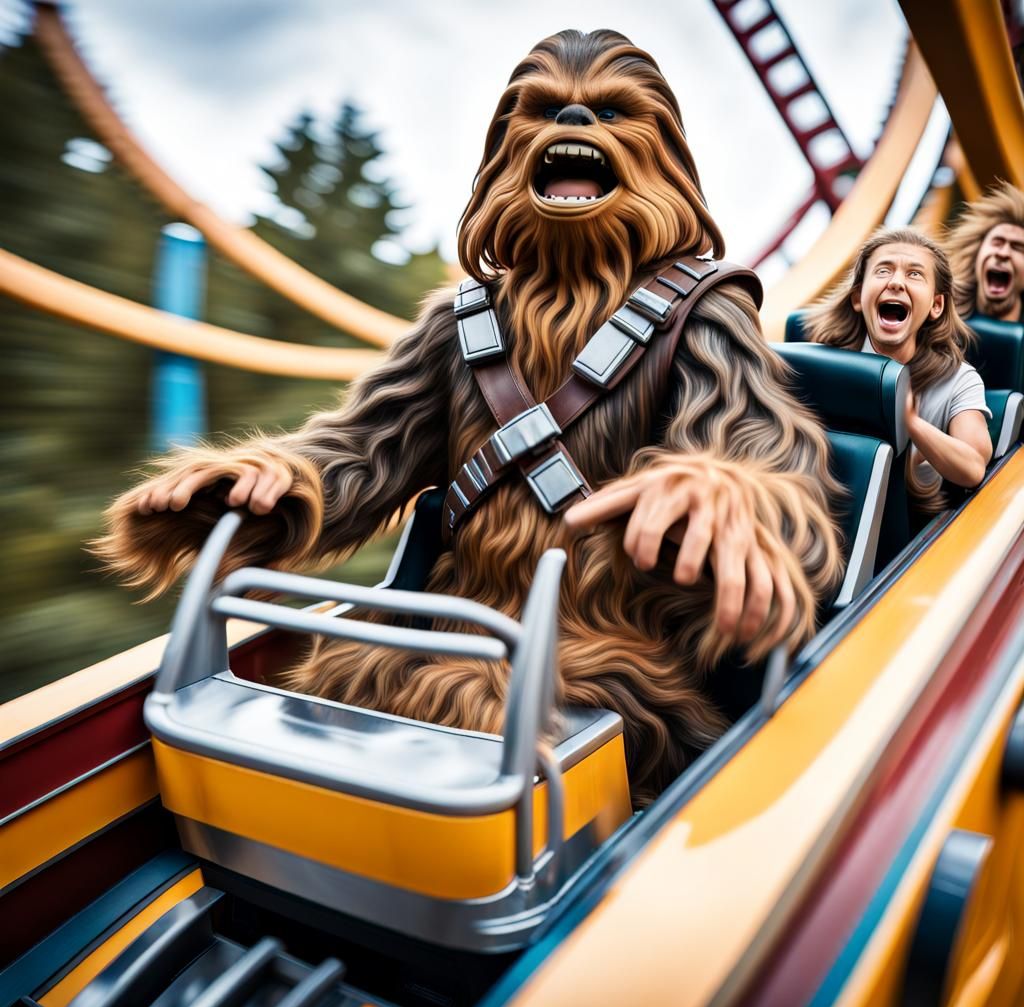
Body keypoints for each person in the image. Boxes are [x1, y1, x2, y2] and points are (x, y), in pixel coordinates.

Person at [94, 30, 843, 802]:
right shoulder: (460, 324)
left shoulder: (704, 314)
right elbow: (361, 453)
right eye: (546, 110)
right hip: (443, 631)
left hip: (611, 670)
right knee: (324, 701)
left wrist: (728, 493)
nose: (576, 126)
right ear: (503, 158)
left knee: (457, 723)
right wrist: (274, 480)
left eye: (612, 114)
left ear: (665, 161)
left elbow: (768, 457)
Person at [805, 227, 991, 516]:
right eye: (883, 271)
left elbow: (973, 467)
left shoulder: (959, 380)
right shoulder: (822, 366)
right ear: (858, 297)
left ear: (936, 305)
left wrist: (909, 421)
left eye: (914, 274)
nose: (896, 283)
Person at [945, 180, 1024, 323]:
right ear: (976, 255)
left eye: (1017, 247)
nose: (1003, 253)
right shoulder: (940, 322)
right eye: (997, 242)